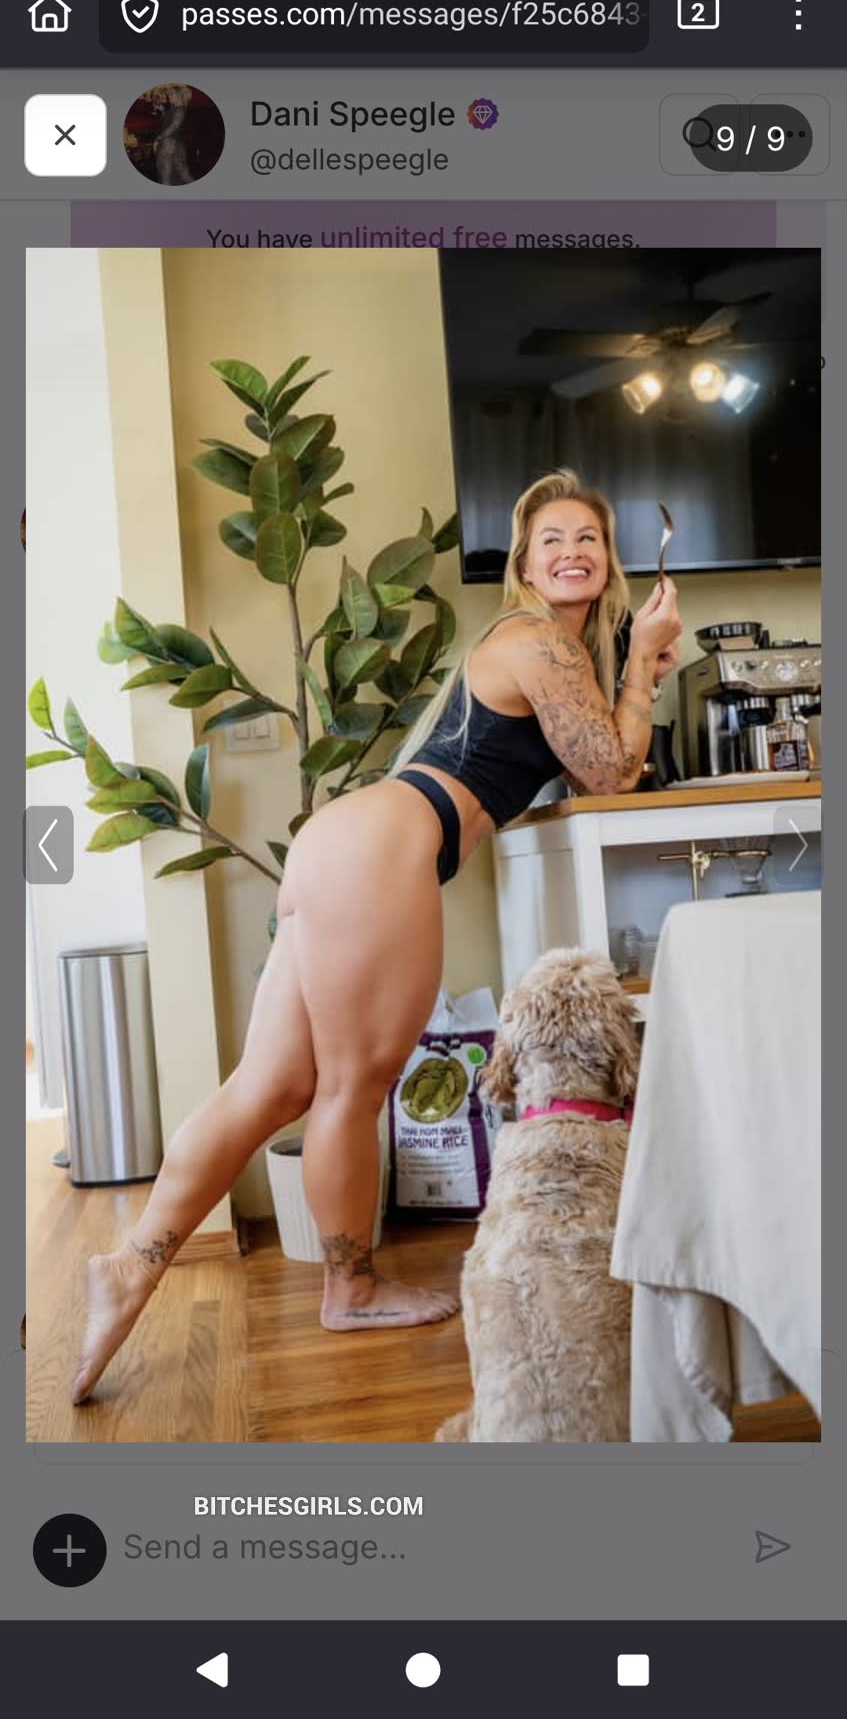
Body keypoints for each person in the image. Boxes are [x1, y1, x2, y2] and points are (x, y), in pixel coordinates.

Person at [72, 469, 682, 1403]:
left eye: (587, 539)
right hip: (382, 848)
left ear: (608, 561)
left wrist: (629, 668)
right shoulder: (535, 639)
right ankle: (349, 1289)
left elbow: (592, 754)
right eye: (551, 539)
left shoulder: (552, 651)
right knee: (351, 1088)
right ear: (523, 565)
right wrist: (640, 667)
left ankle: (129, 1267)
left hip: (349, 843)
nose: (571, 552)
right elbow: (610, 773)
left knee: (273, 1085)